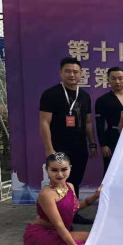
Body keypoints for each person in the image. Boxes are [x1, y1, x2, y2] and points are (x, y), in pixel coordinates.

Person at [13, 152, 101, 245]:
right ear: (46, 170)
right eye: (54, 170)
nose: (59, 174)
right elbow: (59, 225)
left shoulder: (70, 186)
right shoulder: (46, 194)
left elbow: (75, 208)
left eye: (64, 169)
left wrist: (95, 196)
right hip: (40, 237)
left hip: (55, 233)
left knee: (93, 240)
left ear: (70, 168)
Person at [39, 57, 97, 224]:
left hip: (79, 146)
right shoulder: (51, 94)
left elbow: (88, 122)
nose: (72, 75)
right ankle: (57, 217)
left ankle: (72, 213)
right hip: (59, 146)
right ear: (61, 73)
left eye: (75, 72)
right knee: (59, 181)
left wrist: (92, 143)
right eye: (68, 71)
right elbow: (44, 122)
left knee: (75, 181)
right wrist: (49, 148)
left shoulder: (84, 96)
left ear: (81, 74)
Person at [95, 67, 123, 174]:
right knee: (110, 170)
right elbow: (99, 125)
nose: (117, 81)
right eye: (113, 78)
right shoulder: (102, 100)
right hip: (111, 138)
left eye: (120, 78)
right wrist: (103, 145)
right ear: (108, 80)